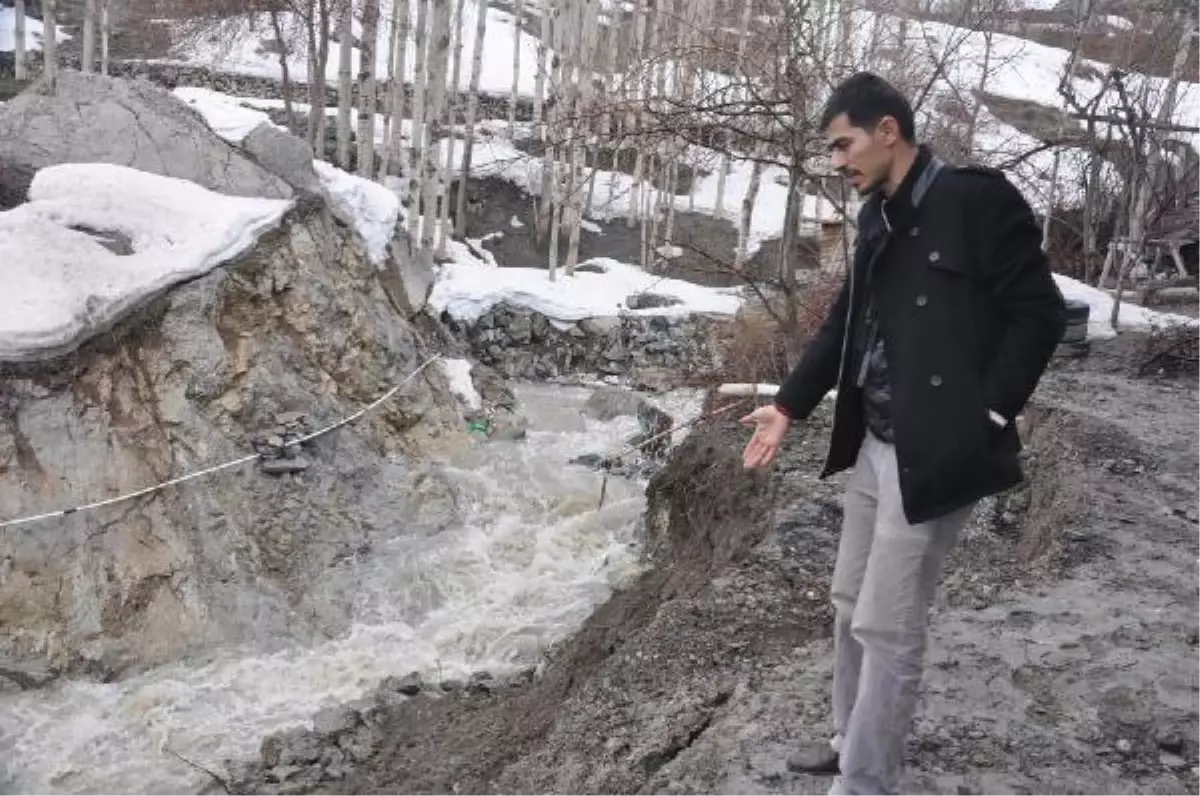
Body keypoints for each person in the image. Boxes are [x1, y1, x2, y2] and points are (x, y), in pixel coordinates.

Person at [740, 72, 1066, 796]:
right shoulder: (876, 217)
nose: (836, 161)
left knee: (888, 626)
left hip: (937, 453)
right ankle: (847, 738)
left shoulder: (977, 201)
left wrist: (985, 416)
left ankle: (866, 782)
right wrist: (789, 406)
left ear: (889, 131)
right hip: (876, 442)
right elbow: (845, 327)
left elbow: (1039, 315)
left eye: (843, 144)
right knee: (850, 601)